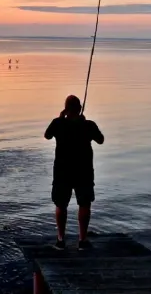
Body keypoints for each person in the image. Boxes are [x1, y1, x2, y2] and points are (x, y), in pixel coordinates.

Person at [44, 94, 105, 250]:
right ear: (79, 109)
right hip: (83, 171)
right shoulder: (89, 125)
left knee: (60, 204)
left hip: (62, 171)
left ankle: (60, 240)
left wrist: (60, 118)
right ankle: (82, 241)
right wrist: (84, 122)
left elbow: (47, 135)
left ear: (66, 109)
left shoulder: (58, 123)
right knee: (84, 204)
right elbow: (101, 140)